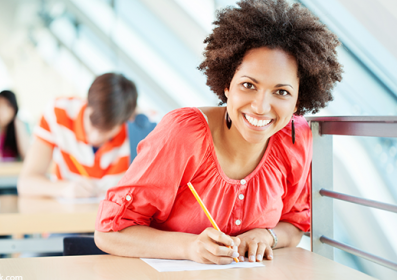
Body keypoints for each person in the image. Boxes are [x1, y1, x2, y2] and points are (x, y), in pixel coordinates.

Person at [94, 0, 343, 265]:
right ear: (227, 85)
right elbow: (109, 232)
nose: (260, 107)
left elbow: (294, 225)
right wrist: (189, 247)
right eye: (248, 85)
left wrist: (267, 235)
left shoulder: (296, 138)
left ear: (298, 101)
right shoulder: (183, 134)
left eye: (281, 92)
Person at [18, 73, 138, 199]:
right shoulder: (58, 113)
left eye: (106, 131)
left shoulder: (138, 131)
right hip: (66, 215)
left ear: (127, 120)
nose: (95, 137)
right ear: (87, 102)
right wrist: (64, 188)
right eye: (92, 123)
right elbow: (25, 183)